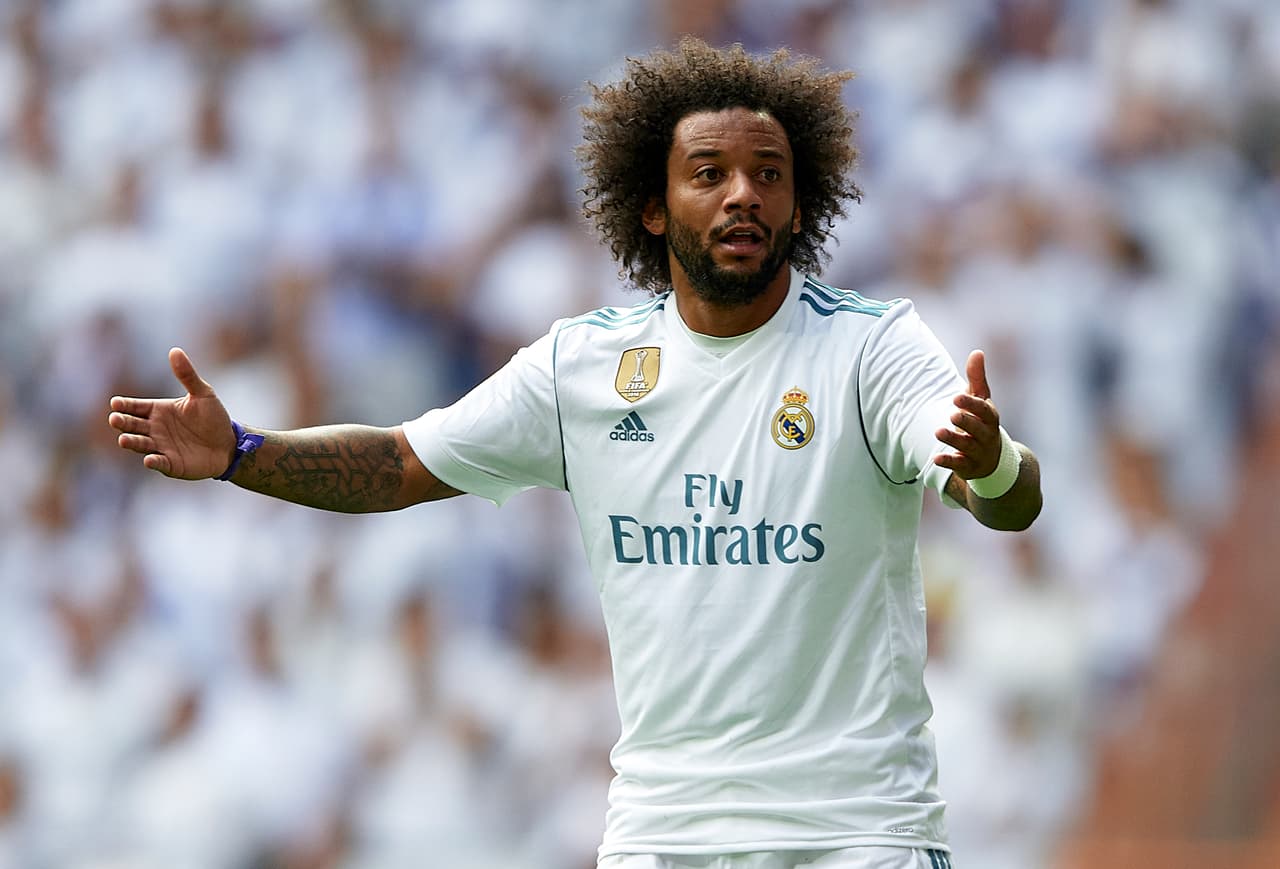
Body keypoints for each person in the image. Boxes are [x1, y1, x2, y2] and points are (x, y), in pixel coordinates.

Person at [109, 38, 1041, 869]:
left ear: (801, 207)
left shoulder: (872, 347)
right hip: (662, 834)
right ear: (650, 205)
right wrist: (241, 451)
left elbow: (999, 492)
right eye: (708, 172)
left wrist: (989, 461)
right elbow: (399, 463)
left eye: (768, 173)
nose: (743, 193)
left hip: (855, 831)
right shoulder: (582, 367)